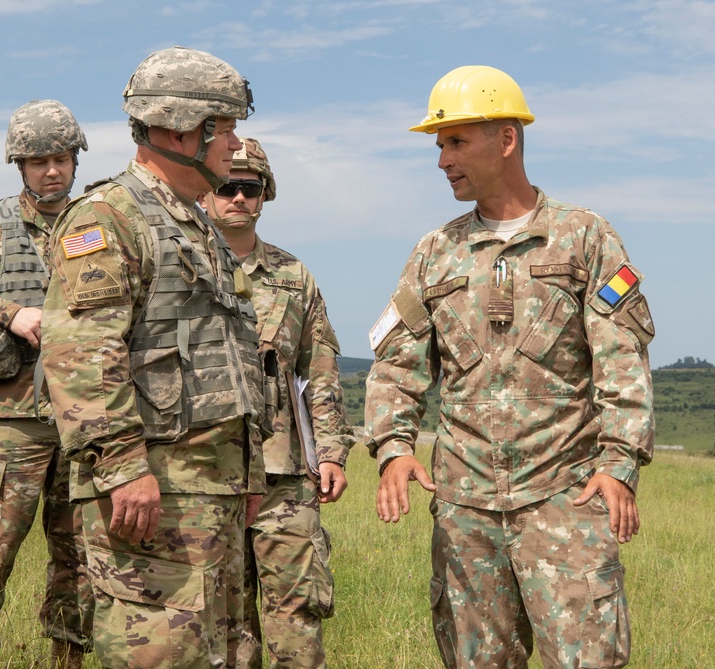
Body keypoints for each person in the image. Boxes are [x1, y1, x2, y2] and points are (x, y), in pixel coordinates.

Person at [364, 65, 655, 669]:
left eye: (457, 141)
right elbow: (397, 363)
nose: (442, 159)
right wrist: (394, 449)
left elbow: (622, 360)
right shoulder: (435, 252)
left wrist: (620, 463)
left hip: (565, 500)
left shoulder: (583, 237)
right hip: (465, 509)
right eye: (440, 144)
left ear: (507, 139)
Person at [39, 46, 266, 669]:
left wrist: (244, 476)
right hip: (152, 494)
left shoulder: (195, 226)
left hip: (205, 493)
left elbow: (223, 358)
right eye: (224, 128)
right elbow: (82, 355)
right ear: (177, 129)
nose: (234, 145)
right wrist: (121, 468)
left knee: (211, 654)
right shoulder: (110, 217)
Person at [199, 137, 355, 669]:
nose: (238, 198)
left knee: (296, 613)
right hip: (205, 471)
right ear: (206, 193)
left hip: (283, 474)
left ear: (265, 195)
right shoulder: (182, 268)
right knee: (222, 619)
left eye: (251, 188)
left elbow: (321, 369)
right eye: (227, 187)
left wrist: (330, 452)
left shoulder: (294, 277)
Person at [0, 99, 92, 669]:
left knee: (81, 554)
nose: (52, 171)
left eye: (61, 158)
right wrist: (7, 312)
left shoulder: (99, 222)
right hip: (8, 417)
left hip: (86, 414)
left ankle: (69, 657)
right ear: (19, 164)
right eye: (39, 161)